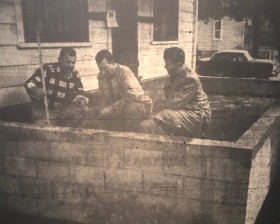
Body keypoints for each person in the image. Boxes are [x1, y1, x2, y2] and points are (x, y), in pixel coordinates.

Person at [139, 47, 211, 138]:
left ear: (179, 64)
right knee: (159, 118)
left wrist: (155, 114)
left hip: (197, 116)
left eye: (168, 64)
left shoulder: (190, 79)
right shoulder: (175, 74)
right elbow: (169, 98)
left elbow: (173, 103)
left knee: (164, 116)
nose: (165, 66)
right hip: (185, 110)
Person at [86, 49, 152, 131]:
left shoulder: (124, 71)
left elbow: (132, 96)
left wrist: (111, 108)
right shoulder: (101, 76)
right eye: (100, 69)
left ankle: (130, 139)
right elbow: (103, 96)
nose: (103, 72)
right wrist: (103, 109)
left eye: (105, 68)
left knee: (131, 110)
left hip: (140, 103)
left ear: (113, 63)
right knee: (99, 114)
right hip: (120, 106)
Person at [25, 47, 88, 125]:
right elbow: (29, 83)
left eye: (73, 63)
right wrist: (35, 89)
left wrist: (81, 98)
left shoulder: (75, 74)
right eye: (68, 62)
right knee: (46, 134)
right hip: (44, 112)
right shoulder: (48, 69)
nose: (71, 65)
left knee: (84, 110)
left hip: (62, 111)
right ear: (59, 60)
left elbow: (80, 91)